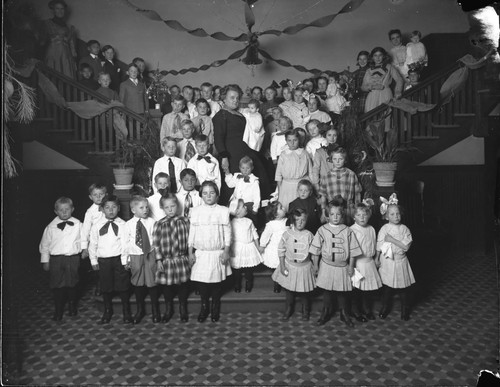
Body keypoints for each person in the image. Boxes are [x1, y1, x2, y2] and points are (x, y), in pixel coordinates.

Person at [213, 84, 272, 203]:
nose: (235, 100)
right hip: (231, 156)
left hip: (246, 152)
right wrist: (224, 157)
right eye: (232, 97)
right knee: (236, 188)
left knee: (256, 183)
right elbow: (218, 138)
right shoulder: (221, 116)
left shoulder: (240, 114)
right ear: (224, 98)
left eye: (237, 98)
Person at [310, 196, 362, 327]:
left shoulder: (347, 230)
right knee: (327, 291)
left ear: (342, 215)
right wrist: (315, 265)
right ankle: (325, 312)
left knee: (342, 292)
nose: (335, 217)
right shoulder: (322, 230)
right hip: (327, 265)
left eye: (338, 214)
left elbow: (353, 250)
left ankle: (344, 313)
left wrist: (351, 266)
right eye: (332, 214)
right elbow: (315, 249)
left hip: (342, 267)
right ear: (327, 216)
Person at [188, 181, 232, 323]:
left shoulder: (223, 211)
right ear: (201, 195)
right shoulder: (195, 211)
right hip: (201, 253)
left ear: (217, 195)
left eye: (212, 193)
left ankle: (215, 306)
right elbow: (192, 234)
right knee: (202, 283)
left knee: (216, 283)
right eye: (205, 193)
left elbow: (228, 233)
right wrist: (190, 252)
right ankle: (204, 306)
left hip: (217, 253)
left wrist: (226, 251)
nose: (208, 196)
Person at [88, 195, 132, 324]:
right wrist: (93, 260)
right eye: (107, 207)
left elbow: (125, 244)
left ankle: (126, 311)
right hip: (103, 260)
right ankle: (108, 310)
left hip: (119, 259)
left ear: (118, 208)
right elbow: (93, 244)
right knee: (105, 286)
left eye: (114, 207)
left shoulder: (123, 225)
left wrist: (125, 261)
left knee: (123, 285)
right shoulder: (96, 226)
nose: (111, 210)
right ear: (102, 209)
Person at [39, 197, 82, 321]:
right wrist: (45, 260)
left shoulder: (78, 224)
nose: (64, 212)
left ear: (72, 210)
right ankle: (58, 309)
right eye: (61, 210)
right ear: (55, 211)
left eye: (67, 209)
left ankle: (72, 306)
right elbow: (44, 245)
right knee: (57, 284)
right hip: (56, 259)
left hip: (72, 258)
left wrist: (83, 249)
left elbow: (83, 239)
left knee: (72, 282)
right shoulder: (50, 227)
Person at [153, 193, 191, 323]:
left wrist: (191, 254)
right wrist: (158, 260)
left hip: (181, 258)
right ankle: (168, 309)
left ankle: (182, 308)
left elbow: (190, 240)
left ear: (177, 206)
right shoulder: (159, 224)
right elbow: (156, 244)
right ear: (162, 208)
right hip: (166, 260)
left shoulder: (185, 221)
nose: (170, 209)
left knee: (182, 285)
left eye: (173, 206)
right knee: (167, 287)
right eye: (167, 207)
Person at [272, 209, 315, 321]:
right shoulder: (287, 234)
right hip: (290, 266)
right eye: (297, 219)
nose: (300, 222)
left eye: (303, 220)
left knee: (305, 292)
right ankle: (288, 309)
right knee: (290, 292)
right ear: (293, 220)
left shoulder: (309, 235)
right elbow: (281, 250)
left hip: (304, 268)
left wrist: (316, 266)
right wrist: (282, 266)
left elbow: (314, 252)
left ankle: (305, 311)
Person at [376, 194, 415, 321]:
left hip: (400, 261)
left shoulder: (404, 229)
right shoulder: (384, 228)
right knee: (387, 288)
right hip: (387, 261)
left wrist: (392, 240)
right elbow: (380, 245)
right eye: (392, 214)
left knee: (403, 288)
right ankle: (385, 308)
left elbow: (406, 246)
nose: (396, 216)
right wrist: (377, 258)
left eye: (397, 213)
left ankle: (405, 310)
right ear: (386, 216)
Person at [123, 196, 159, 324]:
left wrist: (157, 256)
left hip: (150, 254)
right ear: (133, 210)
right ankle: (140, 310)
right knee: (138, 282)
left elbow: (156, 240)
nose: (145, 210)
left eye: (146, 207)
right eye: (141, 207)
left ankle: (155, 310)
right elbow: (125, 243)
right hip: (135, 255)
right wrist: (125, 260)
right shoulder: (128, 225)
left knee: (152, 281)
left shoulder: (152, 222)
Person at [349, 202, 382, 322]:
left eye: (364, 214)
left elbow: (374, 244)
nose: (362, 217)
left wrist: (375, 258)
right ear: (354, 217)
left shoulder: (371, 229)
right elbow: (351, 250)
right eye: (359, 215)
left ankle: (367, 309)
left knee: (367, 290)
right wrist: (351, 266)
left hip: (369, 262)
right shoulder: (352, 230)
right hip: (357, 263)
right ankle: (355, 311)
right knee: (356, 290)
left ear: (369, 216)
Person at [318, 147, 362, 224]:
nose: (337, 161)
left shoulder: (351, 174)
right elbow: (323, 196)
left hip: (348, 210)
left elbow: (357, 193)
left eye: (340, 159)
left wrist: (357, 210)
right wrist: (323, 211)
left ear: (345, 160)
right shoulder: (327, 176)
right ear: (331, 159)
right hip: (333, 210)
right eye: (335, 159)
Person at [229, 199, 262, 293]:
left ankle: (249, 283)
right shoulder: (232, 223)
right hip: (237, 248)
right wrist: (230, 248)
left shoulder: (249, 221)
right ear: (237, 211)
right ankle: (237, 284)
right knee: (237, 269)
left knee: (249, 268)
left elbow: (254, 234)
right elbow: (230, 237)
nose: (246, 207)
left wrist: (258, 246)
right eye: (243, 206)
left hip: (248, 246)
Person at [275, 128, 312, 211]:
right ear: (286, 141)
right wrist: (280, 192)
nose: (292, 143)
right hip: (287, 186)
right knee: (287, 209)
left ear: (299, 140)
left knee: (301, 209)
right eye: (289, 140)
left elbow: (311, 172)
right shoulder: (283, 155)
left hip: (301, 185)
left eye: (295, 140)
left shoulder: (304, 153)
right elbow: (278, 175)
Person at [80, 184, 106, 296]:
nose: (99, 197)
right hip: (95, 242)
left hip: (108, 240)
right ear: (90, 197)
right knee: (97, 264)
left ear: (106, 195)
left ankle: (107, 285)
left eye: (101, 194)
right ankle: (99, 285)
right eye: (95, 195)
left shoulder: (109, 207)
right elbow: (85, 230)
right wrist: (84, 247)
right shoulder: (90, 212)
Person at [362, 47, 404, 113]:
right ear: (372, 57)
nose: (378, 58)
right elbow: (363, 86)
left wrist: (398, 91)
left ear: (384, 56)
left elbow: (399, 79)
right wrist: (372, 87)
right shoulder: (369, 70)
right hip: (372, 96)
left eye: (380, 55)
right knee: (371, 116)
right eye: (375, 55)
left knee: (386, 115)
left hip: (385, 94)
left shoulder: (389, 67)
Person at [42, 0, 76, 78]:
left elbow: (72, 47)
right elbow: (42, 42)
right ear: (53, 10)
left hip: (66, 58)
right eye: (57, 8)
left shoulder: (69, 28)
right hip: (53, 56)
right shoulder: (46, 23)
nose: (60, 11)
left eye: (62, 9)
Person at [259, 201, 288, 293]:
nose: (284, 208)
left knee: (285, 265)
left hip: (285, 247)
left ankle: (284, 282)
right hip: (275, 248)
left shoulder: (287, 221)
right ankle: (277, 284)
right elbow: (265, 236)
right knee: (276, 267)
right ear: (276, 215)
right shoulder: (271, 224)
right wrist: (262, 246)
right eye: (281, 208)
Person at [224, 156, 261, 225]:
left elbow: (257, 196)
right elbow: (230, 184)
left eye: (248, 168)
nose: (245, 170)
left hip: (248, 205)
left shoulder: (254, 181)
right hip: (236, 204)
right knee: (235, 222)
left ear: (252, 168)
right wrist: (227, 174)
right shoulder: (237, 176)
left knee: (249, 222)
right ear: (239, 168)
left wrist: (255, 208)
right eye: (243, 168)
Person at [312, 126, 339, 196]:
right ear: (325, 136)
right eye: (329, 135)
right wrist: (317, 186)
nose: (332, 138)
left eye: (334, 135)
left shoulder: (341, 151)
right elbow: (315, 169)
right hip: (325, 184)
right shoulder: (320, 152)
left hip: (338, 183)